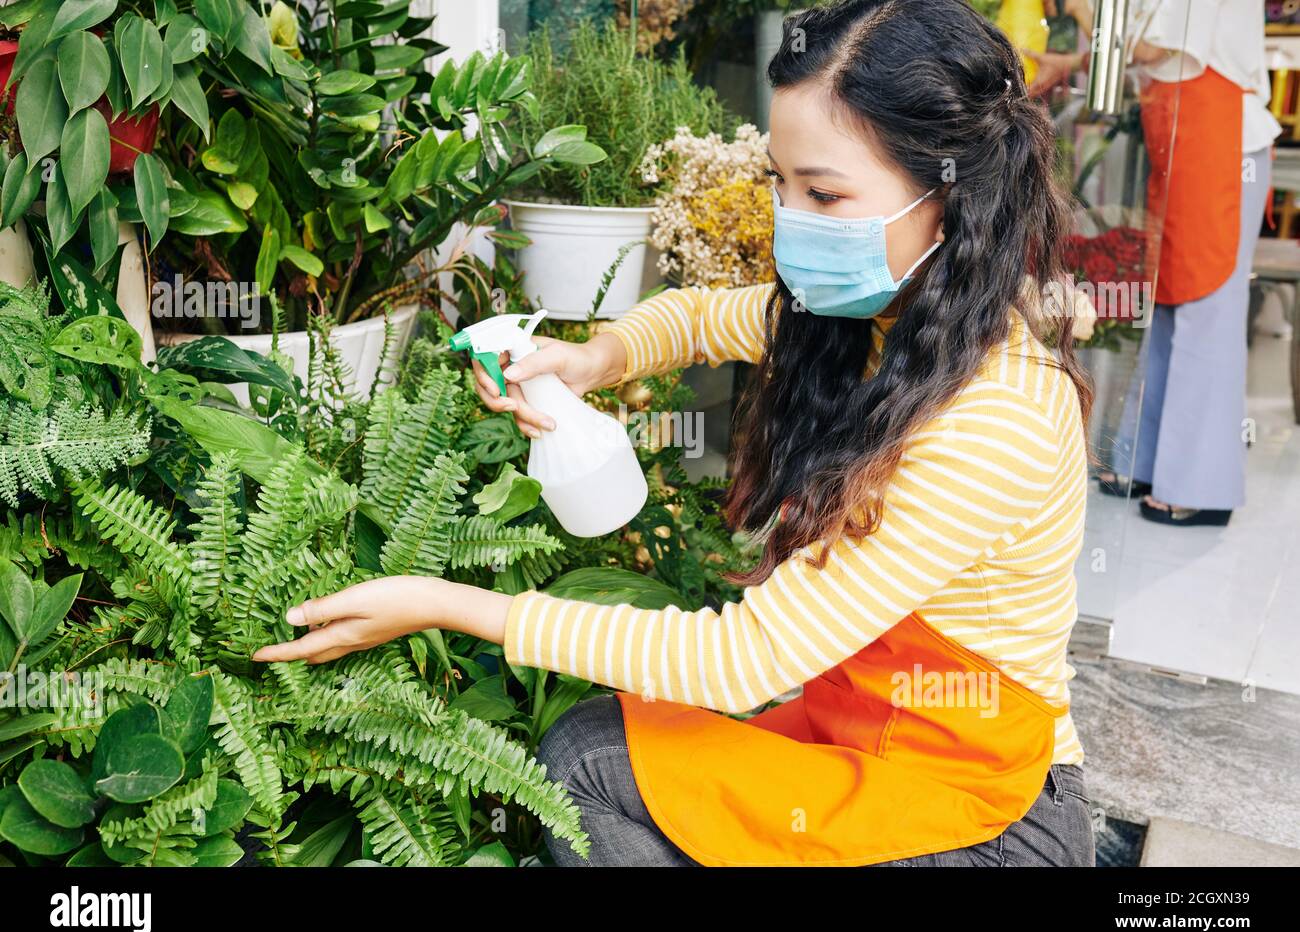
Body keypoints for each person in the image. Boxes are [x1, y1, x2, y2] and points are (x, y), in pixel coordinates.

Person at [254, 0, 1096, 867]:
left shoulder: (996, 416)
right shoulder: (882, 317)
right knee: (596, 750)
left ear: (949, 197)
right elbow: (700, 317)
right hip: (866, 738)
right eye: (781, 183)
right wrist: (595, 357)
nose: (789, 218)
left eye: (825, 194)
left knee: (584, 768)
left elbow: (747, 658)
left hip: (987, 816)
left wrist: (445, 603)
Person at [1030, 1, 1280, 527]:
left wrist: (1079, 8)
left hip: (1221, 140)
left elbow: (1155, 46)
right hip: (1184, 133)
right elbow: (1148, 51)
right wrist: (1072, 62)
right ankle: (1146, 462)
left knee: (1204, 306)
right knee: (1170, 300)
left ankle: (1199, 485)